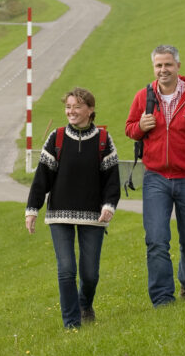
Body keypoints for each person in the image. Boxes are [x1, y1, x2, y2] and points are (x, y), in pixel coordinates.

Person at [125, 45, 185, 307]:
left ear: (178, 66)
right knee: (156, 240)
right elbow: (129, 128)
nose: (163, 70)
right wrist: (139, 127)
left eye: (168, 65)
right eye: (158, 66)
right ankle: (163, 300)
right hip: (155, 178)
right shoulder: (143, 97)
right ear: (153, 68)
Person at [26, 87, 121, 329]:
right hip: (59, 214)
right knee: (66, 270)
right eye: (68, 107)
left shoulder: (103, 140)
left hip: (93, 215)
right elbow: (42, 178)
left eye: (77, 107)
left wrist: (109, 206)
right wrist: (32, 209)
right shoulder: (56, 138)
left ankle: (85, 304)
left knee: (89, 274)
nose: (71, 111)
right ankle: (71, 323)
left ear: (90, 110)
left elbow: (111, 180)